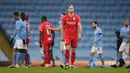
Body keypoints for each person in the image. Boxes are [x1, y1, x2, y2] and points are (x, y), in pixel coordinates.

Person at [61, 4, 82, 68]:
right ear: (68, 9)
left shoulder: (77, 17)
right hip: (67, 36)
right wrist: (62, 35)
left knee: (73, 50)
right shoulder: (65, 17)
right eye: (70, 8)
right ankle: (67, 63)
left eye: (72, 8)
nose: (72, 9)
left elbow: (79, 25)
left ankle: (71, 64)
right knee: (67, 48)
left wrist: (80, 34)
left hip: (75, 36)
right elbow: (62, 26)